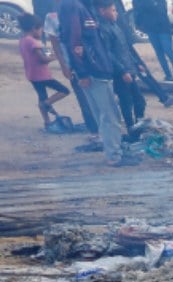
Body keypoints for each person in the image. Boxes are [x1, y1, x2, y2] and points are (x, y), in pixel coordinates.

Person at [60, 0, 136, 165]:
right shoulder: (74, 7)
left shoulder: (85, 8)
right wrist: (82, 72)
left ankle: (114, 151)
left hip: (97, 71)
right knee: (110, 116)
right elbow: (73, 42)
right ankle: (114, 156)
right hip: (94, 73)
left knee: (106, 116)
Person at [43, 1, 98, 135]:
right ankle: (94, 130)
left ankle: (101, 128)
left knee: (97, 97)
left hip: (92, 62)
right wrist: (64, 66)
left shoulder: (82, 9)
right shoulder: (52, 17)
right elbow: (55, 44)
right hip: (73, 64)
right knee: (84, 98)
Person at [95, 0, 143, 133]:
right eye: (113, 10)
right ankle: (131, 129)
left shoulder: (114, 26)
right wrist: (122, 71)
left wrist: (136, 64)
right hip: (119, 73)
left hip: (128, 69)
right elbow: (108, 53)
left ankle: (139, 127)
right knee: (126, 102)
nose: (116, 13)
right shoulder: (102, 29)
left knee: (140, 101)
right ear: (102, 11)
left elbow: (124, 49)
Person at [19, 14, 71, 130]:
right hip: (42, 75)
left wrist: (49, 54)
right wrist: (56, 56)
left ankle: (47, 122)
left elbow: (35, 56)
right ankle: (47, 104)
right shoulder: (34, 43)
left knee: (41, 96)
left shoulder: (23, 40)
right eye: (41, 30)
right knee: (64, 90)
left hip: (31, 75)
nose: (42, 32)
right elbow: (42, 59)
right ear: (34, 28)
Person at [133, 0, 173, 81]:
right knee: (160, 53)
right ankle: (168, 75)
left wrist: (146, 7)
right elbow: (137, 10)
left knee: (168, 51)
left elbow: (160, 9)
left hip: (163, 27)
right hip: (151, 28)